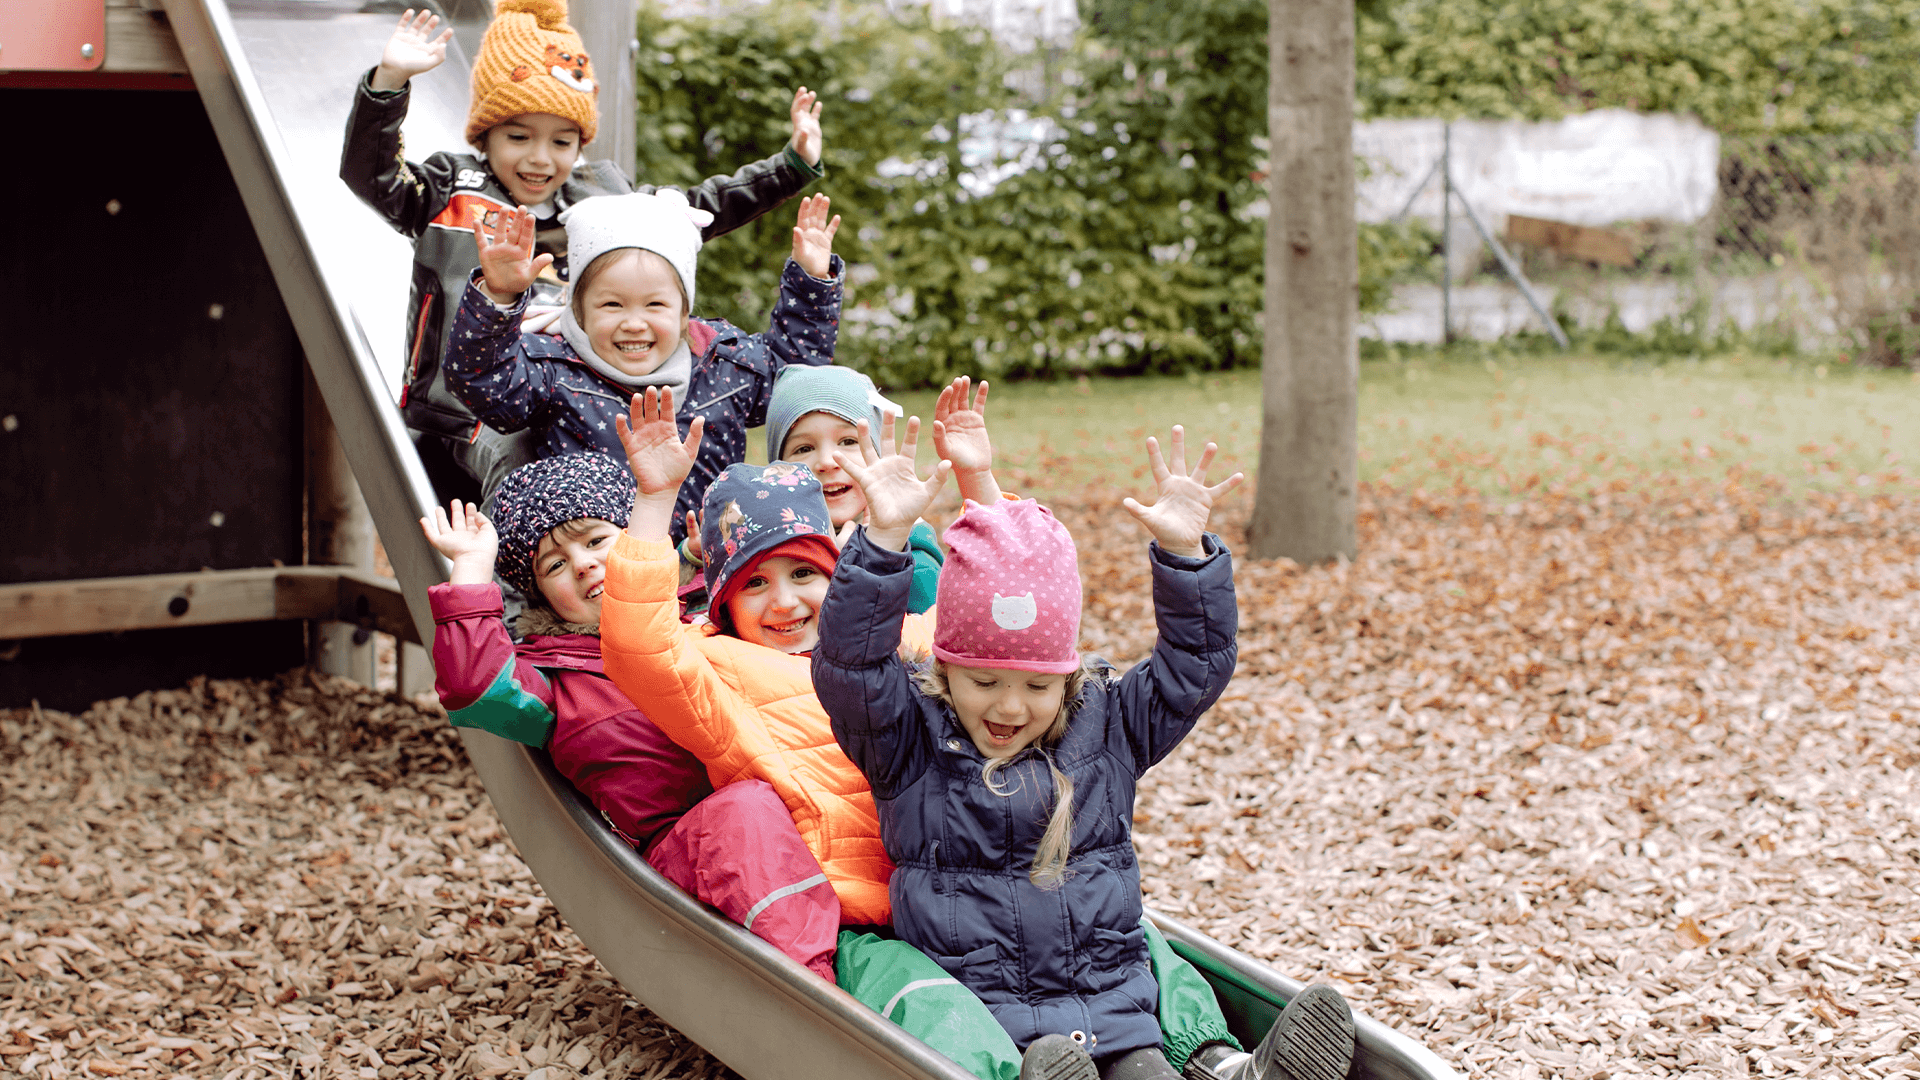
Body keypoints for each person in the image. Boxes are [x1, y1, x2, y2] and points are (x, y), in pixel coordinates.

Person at [602, 391, 1276, 1080]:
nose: (785, 601)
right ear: (722, 600)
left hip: (1044, 931)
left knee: (1139, 942)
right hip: (887, 913)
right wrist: (655, 504)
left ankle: (1221, 1062)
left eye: (805, 573)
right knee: (935, 1006)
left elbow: (1010, 593)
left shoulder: (930, 654)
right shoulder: (740, 675)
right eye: (756, 585)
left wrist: (1183, 553)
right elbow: (671, 652)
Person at [810, 425, 1360, 1080]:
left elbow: (1193, 669)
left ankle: (1238, 1076)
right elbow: (849, 667)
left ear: (1068, 678)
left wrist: (1186, 558)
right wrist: (883, 542)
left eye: (1037, 687)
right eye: (983, 682)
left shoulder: (1108, 723)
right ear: (945, 671)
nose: (1010, 708)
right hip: (992, 1031)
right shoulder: (909, 738)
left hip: (1116, 1013)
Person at [340, 0, 826, 499]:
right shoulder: (448, 191)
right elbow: (370, 176)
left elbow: (694, 210)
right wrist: (389, 82)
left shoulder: (601, 195)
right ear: (485, 135)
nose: (539, 157)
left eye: (561, 142)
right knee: (518, 459)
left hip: (564, 396)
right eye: (518, 136)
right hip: (463, 408)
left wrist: (789, 167)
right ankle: (511, 573)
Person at [419, 451, 840, 980]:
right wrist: (473, 571)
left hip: (813, 808)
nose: (584, 564)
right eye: (554, 565)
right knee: (747, 813)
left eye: (596, 540)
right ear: (540, 593)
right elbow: (475, 686)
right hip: (697, 844)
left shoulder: (703, 616)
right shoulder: (556, 679)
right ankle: (817, 990)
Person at [447, 187, 843, 545]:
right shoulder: (554, 369)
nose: (634, 322)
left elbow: (792, 374)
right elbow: (485, 381)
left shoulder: (723, 364)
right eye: (611, 305)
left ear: (684, 310)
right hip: (596, 583)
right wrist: (498, 295)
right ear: (578, 312)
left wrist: (811, 281)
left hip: (705, 571)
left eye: (655, 305)